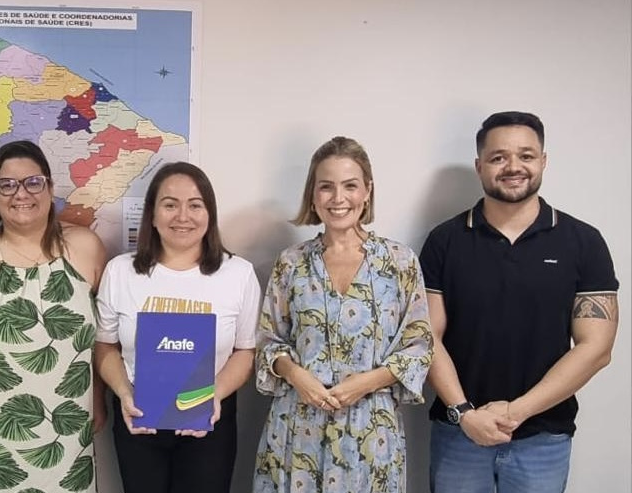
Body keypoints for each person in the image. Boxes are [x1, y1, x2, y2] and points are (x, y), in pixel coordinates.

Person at [420, 111, 619, 492]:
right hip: (459, 434)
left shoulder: (583, 242)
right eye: (498, 157)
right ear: (479, 166)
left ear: (543, 161)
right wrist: (465, 413)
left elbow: (596, 348)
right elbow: (426, 337)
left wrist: (516, 411)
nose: (513, 167)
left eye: (526, 156)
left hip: (544, 438)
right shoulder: (445, 241)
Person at [253, 136, 433, 493]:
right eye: (326, 187)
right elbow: (268, 340)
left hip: (371, 431)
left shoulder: (399, 262)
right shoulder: (292, 263)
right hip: (298, 427)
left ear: (367, 191)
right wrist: (296, 375)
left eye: (350, 185)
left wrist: (365, 383)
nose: (338, 198)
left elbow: (419, 346)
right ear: (313, 194)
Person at [0, 140, 106, 493]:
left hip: (71, 425)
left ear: (49, 187)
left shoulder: (86, 248)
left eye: (33, 182)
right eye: (7, 185)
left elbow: (104, 338)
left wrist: (98, 395)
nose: (21, 194)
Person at [95, 161, 261, 493]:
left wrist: (213, 396)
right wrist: (124, 393)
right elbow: (105, 346)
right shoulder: (120, 272)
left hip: (209, 418)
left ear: (209, 214)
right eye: (170, 205)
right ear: (152, 215)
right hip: (138, 416)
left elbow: (245, 351)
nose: (183, 216)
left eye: (195, 205)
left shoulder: (238, 274)